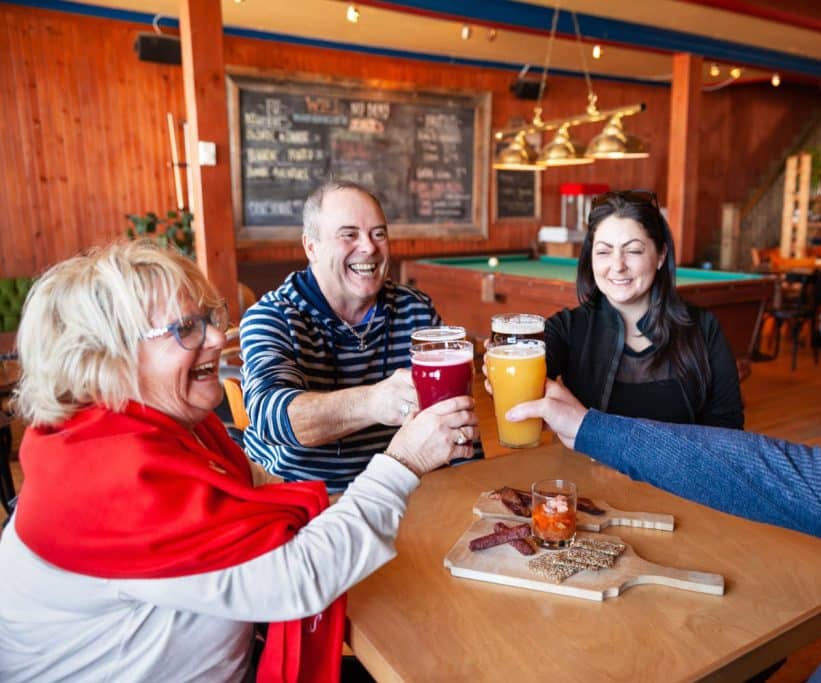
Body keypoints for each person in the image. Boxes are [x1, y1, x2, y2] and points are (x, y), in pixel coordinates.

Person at [506, 200, 821, 679]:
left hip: (693, 520)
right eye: (604, 250)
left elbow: (735, 444)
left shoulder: (700, 329)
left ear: (661, 256)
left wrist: (592, 428)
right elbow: (768, 472)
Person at [0, 241, 478, 682]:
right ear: (104, 360)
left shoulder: (171, 427)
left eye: (208, 316)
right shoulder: (107, 479)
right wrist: (404, 461)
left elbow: (265, 491)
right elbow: (295, 579)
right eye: (185, 328)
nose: (216, 337)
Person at [241, 180, 481, 494]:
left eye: (378, 233)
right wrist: (374, 401)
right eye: (349, 234)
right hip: (308, 503)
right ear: (311, 247)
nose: (369, 247)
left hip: (404, 493)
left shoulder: (415, 309)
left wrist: (474, 489)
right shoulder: (273, 315)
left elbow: (453, 416)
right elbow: (271, 418)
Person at [544, 189, 743, 428]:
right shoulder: (566, 328)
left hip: (680, 465)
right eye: (604, 252)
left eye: (634, 250)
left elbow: (728, 427)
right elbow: (526, 371)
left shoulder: (705, 328)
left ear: (660, 255)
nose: (617, 266)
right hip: (588, 467)